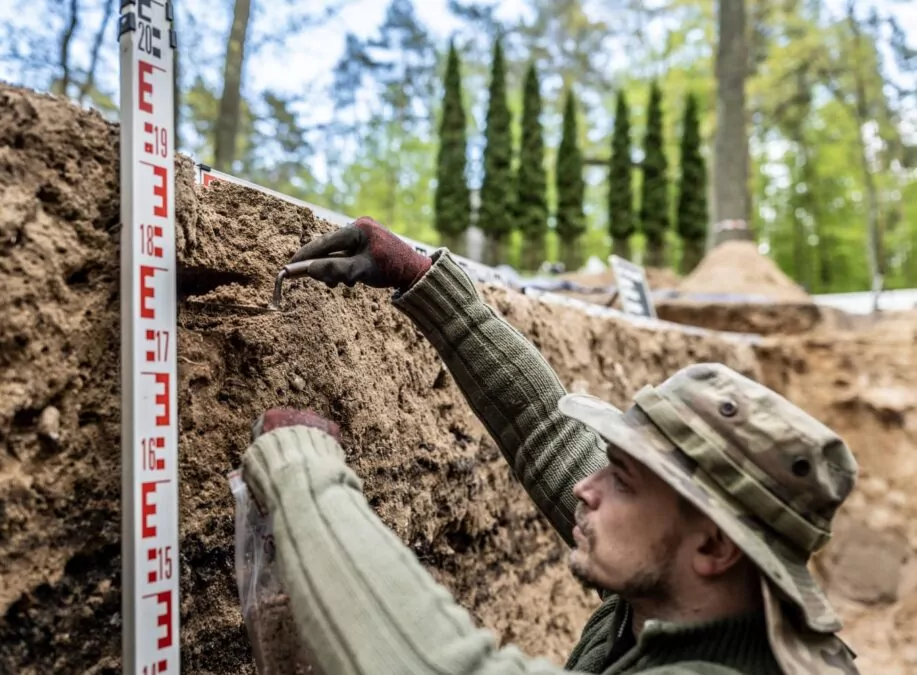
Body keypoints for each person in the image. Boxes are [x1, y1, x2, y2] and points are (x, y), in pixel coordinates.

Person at [237, 217, 861, 675]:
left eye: (622, 480)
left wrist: (303, 475)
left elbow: (435, 664)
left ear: (717, 544)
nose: (585, 490)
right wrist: (425, 280)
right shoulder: (699, 595)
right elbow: (546, 430)